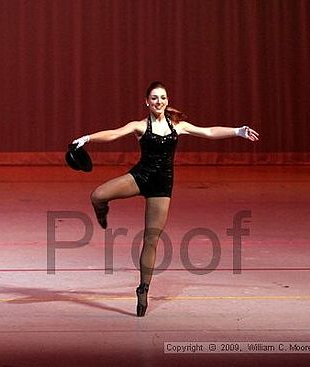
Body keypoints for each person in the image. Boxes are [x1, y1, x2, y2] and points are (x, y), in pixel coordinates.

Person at [71, 81, 259, 317]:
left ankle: (143, 288)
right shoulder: (140, 126)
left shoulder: (178, 126)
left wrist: (237, 131)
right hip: (140, 177)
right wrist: (87, 138)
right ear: (146, 102)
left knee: (151, 239)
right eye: (154, 98)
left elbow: (208, 131)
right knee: (97, 195)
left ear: (167, 101)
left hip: (161, 186)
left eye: (162, 98)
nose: (158, 102)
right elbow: (114, 134)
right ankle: (102, 210)